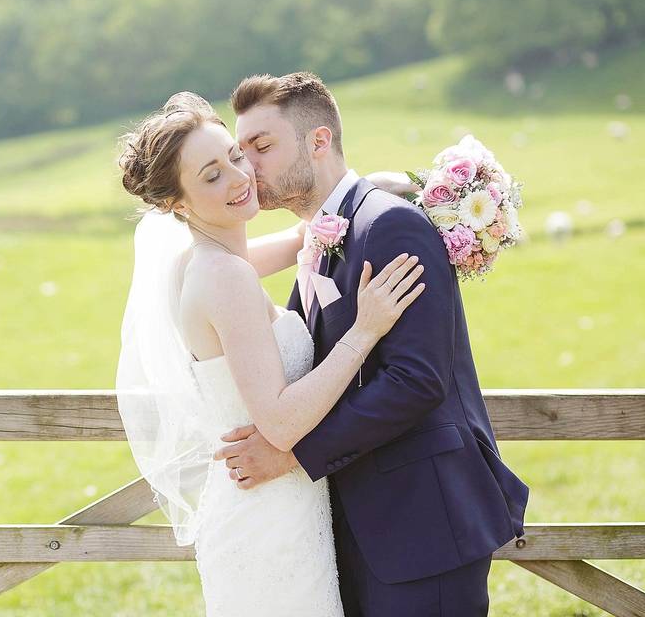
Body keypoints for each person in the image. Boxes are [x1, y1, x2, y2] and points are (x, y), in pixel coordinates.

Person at [213, 72, 530, 616]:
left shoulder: (391, 227)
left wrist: (290, 454)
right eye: (241, 151)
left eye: (261, 146)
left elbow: (416, 380)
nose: (249, 166)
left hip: (422, 521)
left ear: (318, 141)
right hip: (358, 524)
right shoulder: (324, 231)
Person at [115, 91, 425, 616]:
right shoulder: (224, 276)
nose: (238, 178)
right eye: (211, 175)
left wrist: (425, 192)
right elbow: (279, 424)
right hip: (268, 518)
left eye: (235, 156)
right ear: (178, 204)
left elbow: (309, 232)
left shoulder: (203, 260)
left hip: (272, 502)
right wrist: (364, 331)